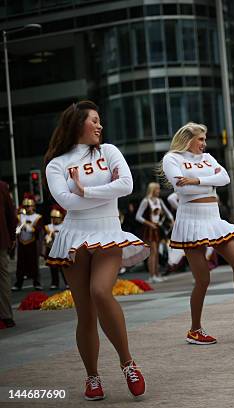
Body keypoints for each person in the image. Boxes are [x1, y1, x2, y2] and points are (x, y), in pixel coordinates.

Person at [45, 100, 149, 400]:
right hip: (74, 236)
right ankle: (92, 377)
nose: (100, 125)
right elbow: (66, 202)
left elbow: (127, 185)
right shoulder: (57, 163)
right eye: (94, 120)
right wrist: (98, 192)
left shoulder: (109, 151)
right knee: (85, 314)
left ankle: (127, 362)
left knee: (101, 291)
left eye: (100, 120)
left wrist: (85, 190)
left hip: (107, 232)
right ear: (79, 124)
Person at [162, 122, 234, 346]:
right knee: (203, 279)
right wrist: (207, 182)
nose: (204, 144)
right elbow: (182, 189)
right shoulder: (172, 159)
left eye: (205, 140)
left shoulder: (207, 158)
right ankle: (195, 329)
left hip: (213, 219)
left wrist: (197, 180)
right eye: (200, 140)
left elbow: (225, 179)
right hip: (190, 222)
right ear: (188, 139)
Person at [135, 182, 174, 283]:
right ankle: (152, 276)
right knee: (153, 252)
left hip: (157, 228)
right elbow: (138, 216)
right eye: (157, 189)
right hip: (149, 229)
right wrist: (149, 223)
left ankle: (156, 274)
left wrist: (171, 220)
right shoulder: (146, 201)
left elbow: (168, 213)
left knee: (156, 252)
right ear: (153, 190)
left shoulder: (159, 201)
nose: (159, 191)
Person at [12, 195, 43, 291]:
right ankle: (18, 283)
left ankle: (36, 283)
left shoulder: (37, 217)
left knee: (34, 264)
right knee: (20, 264)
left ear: (33, 206)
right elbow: (15, 228)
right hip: (22, 243)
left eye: (29, 206)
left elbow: (38, 230)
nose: (27, 208)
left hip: (32, 243)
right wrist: (18, 227)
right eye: (25, 206)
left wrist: (29, 228)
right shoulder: (19, 216)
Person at [0, 180, 17, 329]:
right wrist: (12, 236)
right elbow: (11, 215)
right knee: (3, 277)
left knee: (3, 276)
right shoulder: (2, 187)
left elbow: (11, 215)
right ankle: (6, 315)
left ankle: (6, 315)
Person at [44, 205, 68, 289]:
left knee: (64, 268)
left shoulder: (65, 226)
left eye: (56, 217)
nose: (54, 219)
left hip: (62, 250)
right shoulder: (49, 227)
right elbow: (46, 240)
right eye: (52, 217)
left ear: (60, 217)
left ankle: (67, 283)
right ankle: (55, 283)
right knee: (53, 267)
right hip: (53, 250)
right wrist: (48, 236)